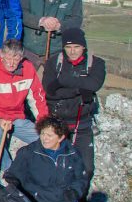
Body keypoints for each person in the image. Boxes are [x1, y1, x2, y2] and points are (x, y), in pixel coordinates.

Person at [0, 39, 48, 175]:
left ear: (21, 57)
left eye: (16, 57)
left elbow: (37, 97)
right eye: (7, 56)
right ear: (1, 54)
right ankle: (8, 169)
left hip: (15, 118)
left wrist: (43, 121)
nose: (11, 62)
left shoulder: (28, 68)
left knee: (44, 136)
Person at [41, 27, 105, 179]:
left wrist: (62, 82)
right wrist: (80, 88)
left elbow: (94, 85)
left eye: (77, 47)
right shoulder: (53, 62)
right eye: (68, 47)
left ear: (84, 47)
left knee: (86, 170)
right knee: (53, 168)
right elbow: (49, 91)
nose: (72, 51)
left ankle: (80, 201)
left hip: (82, 124)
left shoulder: (96, 63)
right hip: (57, 123)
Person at [20, 0, 83, 65]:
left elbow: (77, 19)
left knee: (54, 81)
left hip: (57, 51)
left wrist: (59, 26)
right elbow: (20, 13)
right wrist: (41, 21)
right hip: (29, 49)